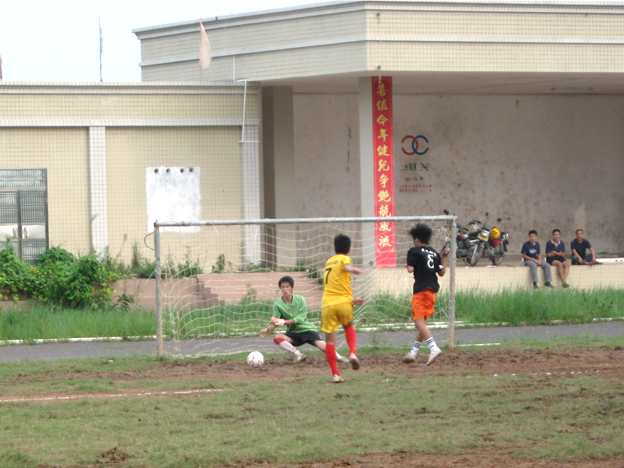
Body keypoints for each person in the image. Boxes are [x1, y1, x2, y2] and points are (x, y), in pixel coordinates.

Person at [258, 275, 348, 364]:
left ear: (292, 287)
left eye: (287, 286)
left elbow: (300, 318)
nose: (285, 289)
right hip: (294, 333)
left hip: (307, 330)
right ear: (280, 288)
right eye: (283, 287)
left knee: (323, 347)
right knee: (277, 337)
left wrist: (285, 322)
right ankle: (299, 354)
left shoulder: (300, 299)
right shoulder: (277, 304)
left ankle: (339, 357)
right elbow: (275, 321)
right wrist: (268, 330)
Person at [402, 223, 449, 366]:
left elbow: (410, 269)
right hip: (432, 291)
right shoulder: (434, 253)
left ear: (416, 240)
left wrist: (409, 264)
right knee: (422, 324)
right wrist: (444, 257)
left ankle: (434, 348)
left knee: (418, 323)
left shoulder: (414, 251)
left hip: (421, 290)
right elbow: (441, 272)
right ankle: (413, 352)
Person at [320, 234, 365, 384]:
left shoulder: (328, 262)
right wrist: (354, 269)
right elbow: (346, 267)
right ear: (349, 249)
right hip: (343, 303)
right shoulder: (345, 258)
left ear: (334, 248)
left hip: (327, 304)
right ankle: (352, 352)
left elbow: (334, 285)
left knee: (329, 341)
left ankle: (335, 374)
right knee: (348, 326)